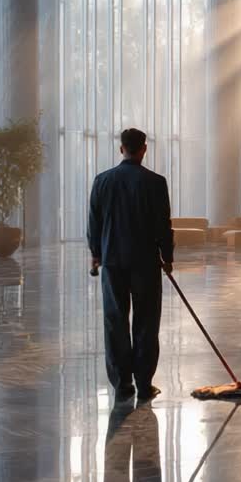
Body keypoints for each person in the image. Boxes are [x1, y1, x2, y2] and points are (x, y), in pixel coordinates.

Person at [88, 128, 174, 403]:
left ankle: (122, 385)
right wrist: (167, 256)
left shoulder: (102, 181)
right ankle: (145, 384)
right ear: (144, 149)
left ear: (121, 149)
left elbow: (94, 223)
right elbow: (163, 224)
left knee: (115, 322)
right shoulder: (156, 182)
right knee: (147, 323)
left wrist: (96, 252)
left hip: (113, 262)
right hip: (146, 263)